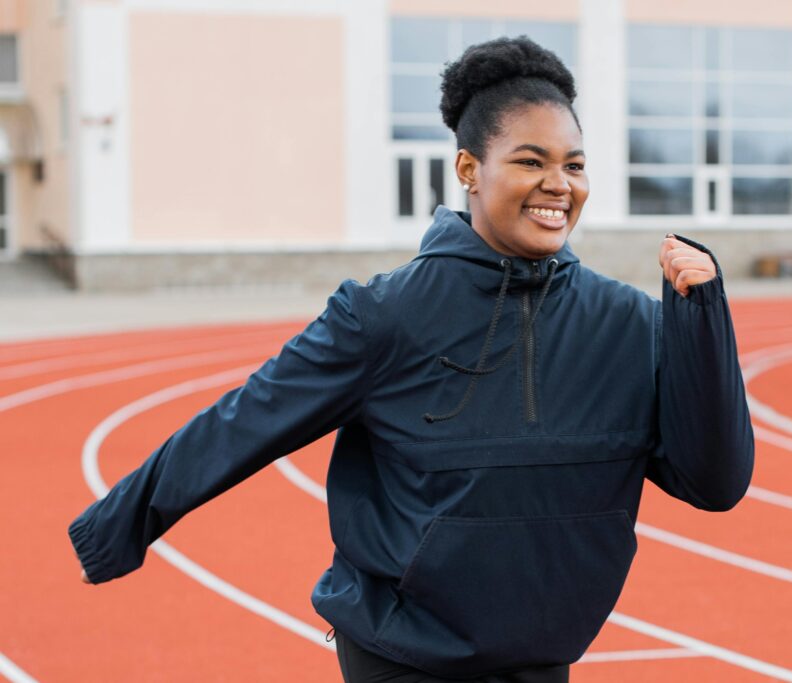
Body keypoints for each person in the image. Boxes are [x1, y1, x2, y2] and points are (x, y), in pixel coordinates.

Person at [69, 36, 754, 682]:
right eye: (530, 160)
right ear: (468, 170)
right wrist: (118, 527)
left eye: (573, 164)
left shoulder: (629, 323)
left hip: (541, 654)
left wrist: (700, 322)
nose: (559, 184)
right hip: (401, 650)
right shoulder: (385, 314)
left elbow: (713, 482)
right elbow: (247, 419)